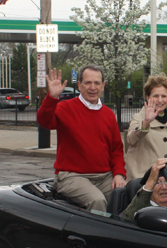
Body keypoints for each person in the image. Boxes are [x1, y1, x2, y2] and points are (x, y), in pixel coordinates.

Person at [37, 66, 126, 212]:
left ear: (103, 85)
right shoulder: (65, 108)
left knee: (124, 197)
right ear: (79, 85)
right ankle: (98, 234)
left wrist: (119, 174)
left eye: (97, 83)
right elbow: (44, 121)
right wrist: (52, 98)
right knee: (97, 201)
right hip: (72, 176)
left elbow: (116, 149)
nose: (92, 87)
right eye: (87, 83)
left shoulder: (108, 114)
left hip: (103, 177)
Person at [126, 74, 167, 180]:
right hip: (144, 181)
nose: (160, 100)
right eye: (155, 96)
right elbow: (131, 140)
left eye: (164, 96)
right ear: (148, 97)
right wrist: (146, 122)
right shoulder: (138, 118)